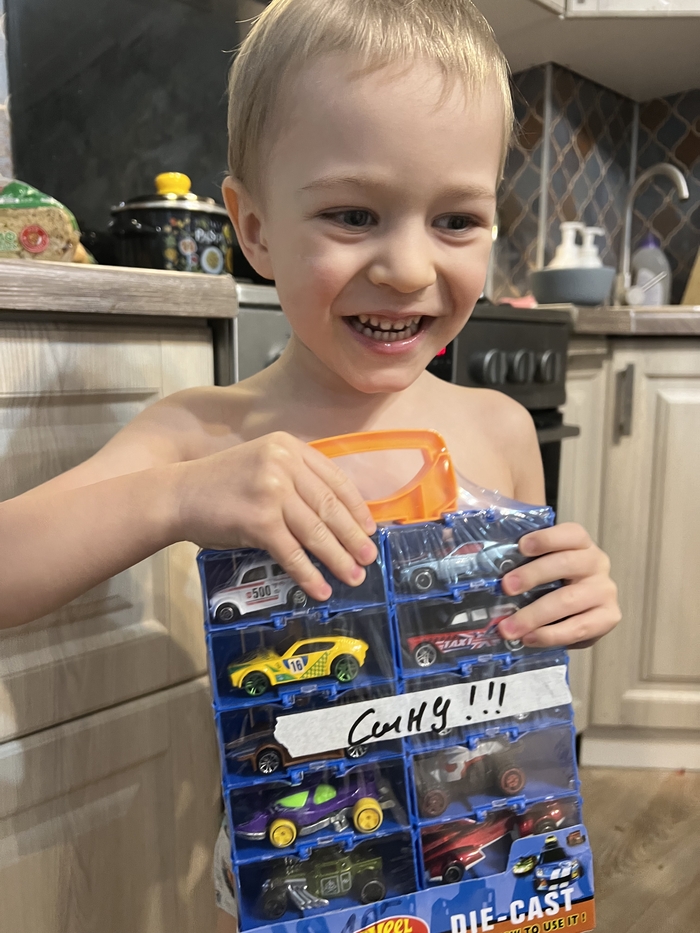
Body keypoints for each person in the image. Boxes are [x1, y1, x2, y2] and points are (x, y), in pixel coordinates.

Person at [0, 1, 620, 929]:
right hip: (307, 861)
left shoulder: (500, 430)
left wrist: (571, 598)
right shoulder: (204, 433)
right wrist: (174, 495)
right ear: (253, 227)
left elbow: (519, 636)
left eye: (455, 219)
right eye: (352, 214)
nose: (408, 267)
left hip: (474, 853)